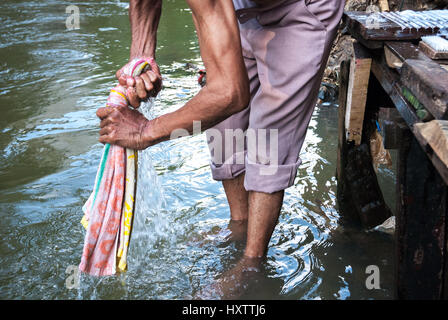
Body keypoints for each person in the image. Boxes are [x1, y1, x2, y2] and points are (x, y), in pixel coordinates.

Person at [96, 0, 345, 298]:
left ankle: (252, 261)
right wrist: (141, 56)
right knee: (226, 128)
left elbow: (230, 93)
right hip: (241, 7)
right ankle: (239, 225)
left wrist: (144, 131)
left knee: (269, 135)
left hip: (300, 9)